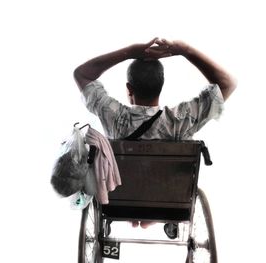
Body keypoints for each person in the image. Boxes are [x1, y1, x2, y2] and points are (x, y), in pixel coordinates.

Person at [73, 38, 237, 230]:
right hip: (168, 202)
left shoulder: (114, 116)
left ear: (129, 89)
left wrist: (130, 50)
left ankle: (137, 215)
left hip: (120, 201)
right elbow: (227, 83)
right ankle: (152, 217)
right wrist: (185, 50)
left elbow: (81, 74)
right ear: (161, 86)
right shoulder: (180, 120)